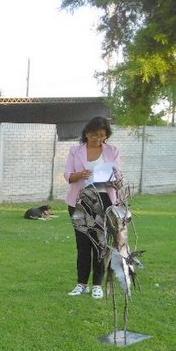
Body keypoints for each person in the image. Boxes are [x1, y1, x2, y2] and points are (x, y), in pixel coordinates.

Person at [63, 116, 123, 299]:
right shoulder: (76, 151)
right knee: (82, 245)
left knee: (100, 245)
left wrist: (115, 180)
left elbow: (119, 178)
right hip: (80, 202)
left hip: (104, 202)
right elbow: (67, 176)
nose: (99, 139)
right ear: (87, 133)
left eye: (103, 136)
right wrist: (80, 174)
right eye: (95, 135)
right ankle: (81, 284)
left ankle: (97, 284)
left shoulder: (112, 151)